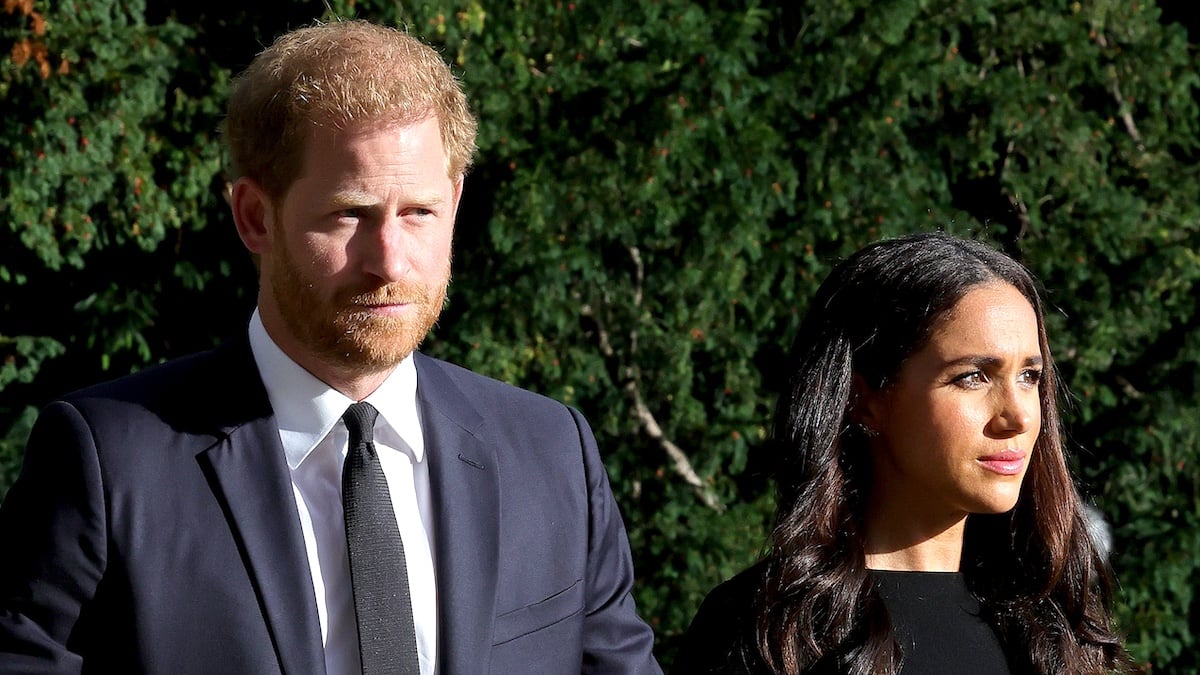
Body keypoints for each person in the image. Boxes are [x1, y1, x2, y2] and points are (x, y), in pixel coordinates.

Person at [0, 20, 661, 674]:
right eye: (350, 214)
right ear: (255, 216)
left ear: (455, 202)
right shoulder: (109, 462)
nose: (390, 261)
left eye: (419, 213)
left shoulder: (551, 453)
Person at [674, 232, 1138, 674]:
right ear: (867, 399)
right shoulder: (768, 629)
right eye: (973, 376)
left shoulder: (1053, 623)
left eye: (1030, 376)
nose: (1018, 416)